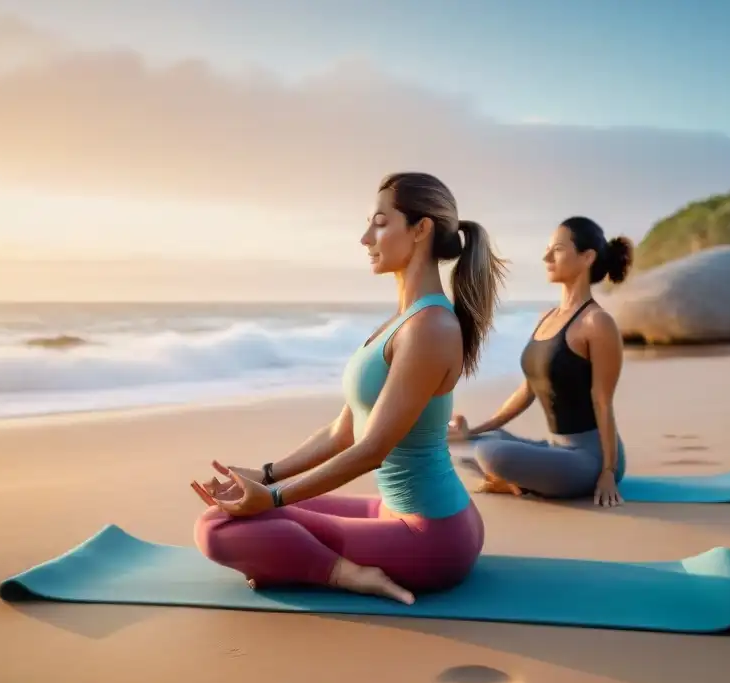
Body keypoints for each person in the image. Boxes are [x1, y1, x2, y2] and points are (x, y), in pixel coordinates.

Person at [190, 172, 507, 605]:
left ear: (420, 229)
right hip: (394, 513)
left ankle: (349, 575)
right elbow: (344, 431)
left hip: (431, 536)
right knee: (224, 516)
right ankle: (309, 558)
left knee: (217, 531)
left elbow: (371, 448)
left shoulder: (431, 327)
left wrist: (275, 498)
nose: (365, 238)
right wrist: (264, 476)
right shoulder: (401, 322)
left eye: (379, 222)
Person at [447, 216, 631, 507]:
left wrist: (607, 471)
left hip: (590, 459)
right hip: (557, 450)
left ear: (587, 257)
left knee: (491, 455)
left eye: (557, 249)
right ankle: (518, 478)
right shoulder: (545, 317)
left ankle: (515, 477)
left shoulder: (598, 323)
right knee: (455, 444)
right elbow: (527, 391)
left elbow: (603, 401)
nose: (546, 256)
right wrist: (475, 430)